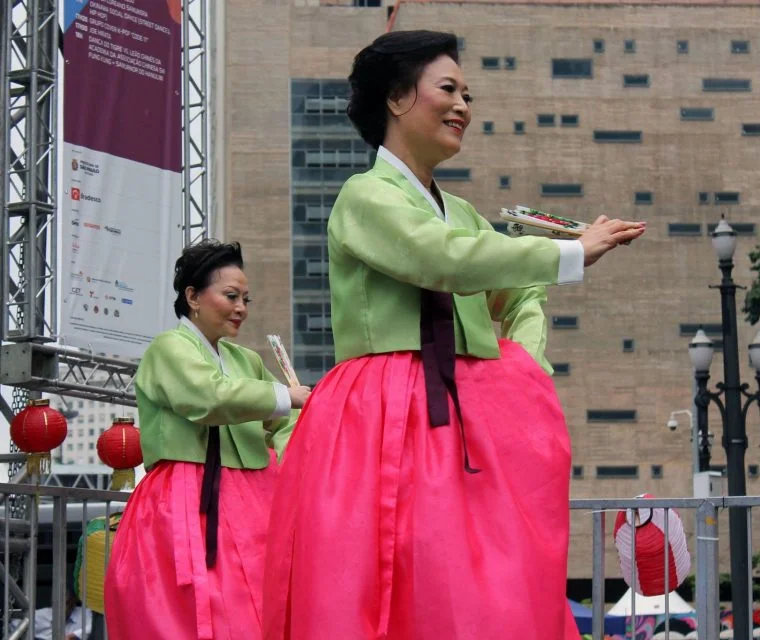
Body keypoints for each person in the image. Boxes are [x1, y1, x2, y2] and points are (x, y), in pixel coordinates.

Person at [262, 30, 645, 639]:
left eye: (468, 94)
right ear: (396, 98)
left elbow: (519, 292)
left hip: (463, 416)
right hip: (379, 418)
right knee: (385, 579)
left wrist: (519, 367)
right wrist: (569, 252)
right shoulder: (364, 196)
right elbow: (441, 259)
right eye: (449, 89)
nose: (463, 105)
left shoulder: (461, 212)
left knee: (481, 587)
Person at [104, 240, 311, 640]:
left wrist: (295, 461)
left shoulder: (246, 360)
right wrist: (287, 396)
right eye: (231, 296)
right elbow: (206, 397)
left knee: (264, 602)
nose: (241, 308)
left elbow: (286, 423)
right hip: (188, 494)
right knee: (195, 609)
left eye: (246, 299)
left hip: (256, 495)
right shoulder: (168, 348)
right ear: (193, 297)